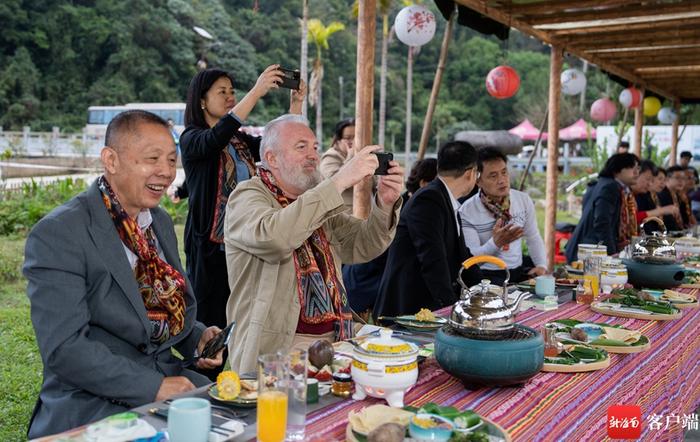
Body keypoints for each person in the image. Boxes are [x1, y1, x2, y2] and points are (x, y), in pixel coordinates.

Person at [23, 111, 223, 439]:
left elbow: (159, 310)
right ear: (111, 160)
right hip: (91, 399)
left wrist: (196, 338)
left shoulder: (157, 222)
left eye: (172, 160)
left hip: (171, 383)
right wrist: (153, 386)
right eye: (152, 159)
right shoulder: (60, 233)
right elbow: (65, 348)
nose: (166, 172)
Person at [224, 115, 403, 373]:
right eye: (301, 147)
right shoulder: (247, 196)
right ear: (272, 158)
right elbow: (276, 238)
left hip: (336, 337)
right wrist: (339, 180)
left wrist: (384, 204)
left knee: (399, 359)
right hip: (279, 346)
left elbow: (363, 244)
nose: (313, 156)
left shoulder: (315, 202)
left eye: (315, 148)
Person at [178, 66, 306, 329]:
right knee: (210, 326)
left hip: (245, 243)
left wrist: (296, 106)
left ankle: (238, 371)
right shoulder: (193, 138)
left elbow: (275, 149)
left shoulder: (238, 140)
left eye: (232, 91)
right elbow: (215, 137)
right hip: (211, 249)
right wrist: (257, 91)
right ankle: (201, 372)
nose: (230, 97)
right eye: (221, 91)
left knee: (244, 323)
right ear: (201, 100)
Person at [373, 141, 483, 319]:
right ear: (471, 173)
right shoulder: (429, 199)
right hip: (409, 308)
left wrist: (485, 288)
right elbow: (433, 259)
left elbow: (463, 256)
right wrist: (451, 307)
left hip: (425, 305)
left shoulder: (444, 198)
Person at [342, 158, 439, 317]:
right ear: (424, 183)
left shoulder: (406, 202)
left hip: (371, 279)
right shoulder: (413, 208)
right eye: (438, 183)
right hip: (362, 283)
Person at [459, 148, 546, 285]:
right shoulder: (467, 211)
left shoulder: (523, 200)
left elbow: (533, 237)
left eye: (504, 172)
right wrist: (496, 243)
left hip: (517, 271)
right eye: (493, 176)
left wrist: (541, 265)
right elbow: (472, 260)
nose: (502, 180)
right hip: (485, 277)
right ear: (478, 181)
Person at [565, 153, 640, 263]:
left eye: (637, 168)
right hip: (592, 251)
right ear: (617, 170)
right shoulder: (610, 187)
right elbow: (602, 222)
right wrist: (612, 252)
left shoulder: (602, 183)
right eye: (631, 168)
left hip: (585, 247)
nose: (636, 173)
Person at [320, 118, 356, 210]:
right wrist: (351, 157)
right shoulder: (330, 157)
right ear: (338, 140)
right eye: (348, 138)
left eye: (356, 137)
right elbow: (334, 182)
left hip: (366, 211)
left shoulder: (363, 156)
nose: (354, 142)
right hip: (343, 215)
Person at [633, 161, 679, 232]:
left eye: (664, 180)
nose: (650, 183)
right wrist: (660, 211)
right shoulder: (641, 195)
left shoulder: (656, 197)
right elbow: (633, 218)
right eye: (648, 179)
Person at [658, 165, 693, 231]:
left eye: (683, 178)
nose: (681, 181)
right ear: (667, 179)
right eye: (677, 178)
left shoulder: (677, 196)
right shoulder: (662, 195)